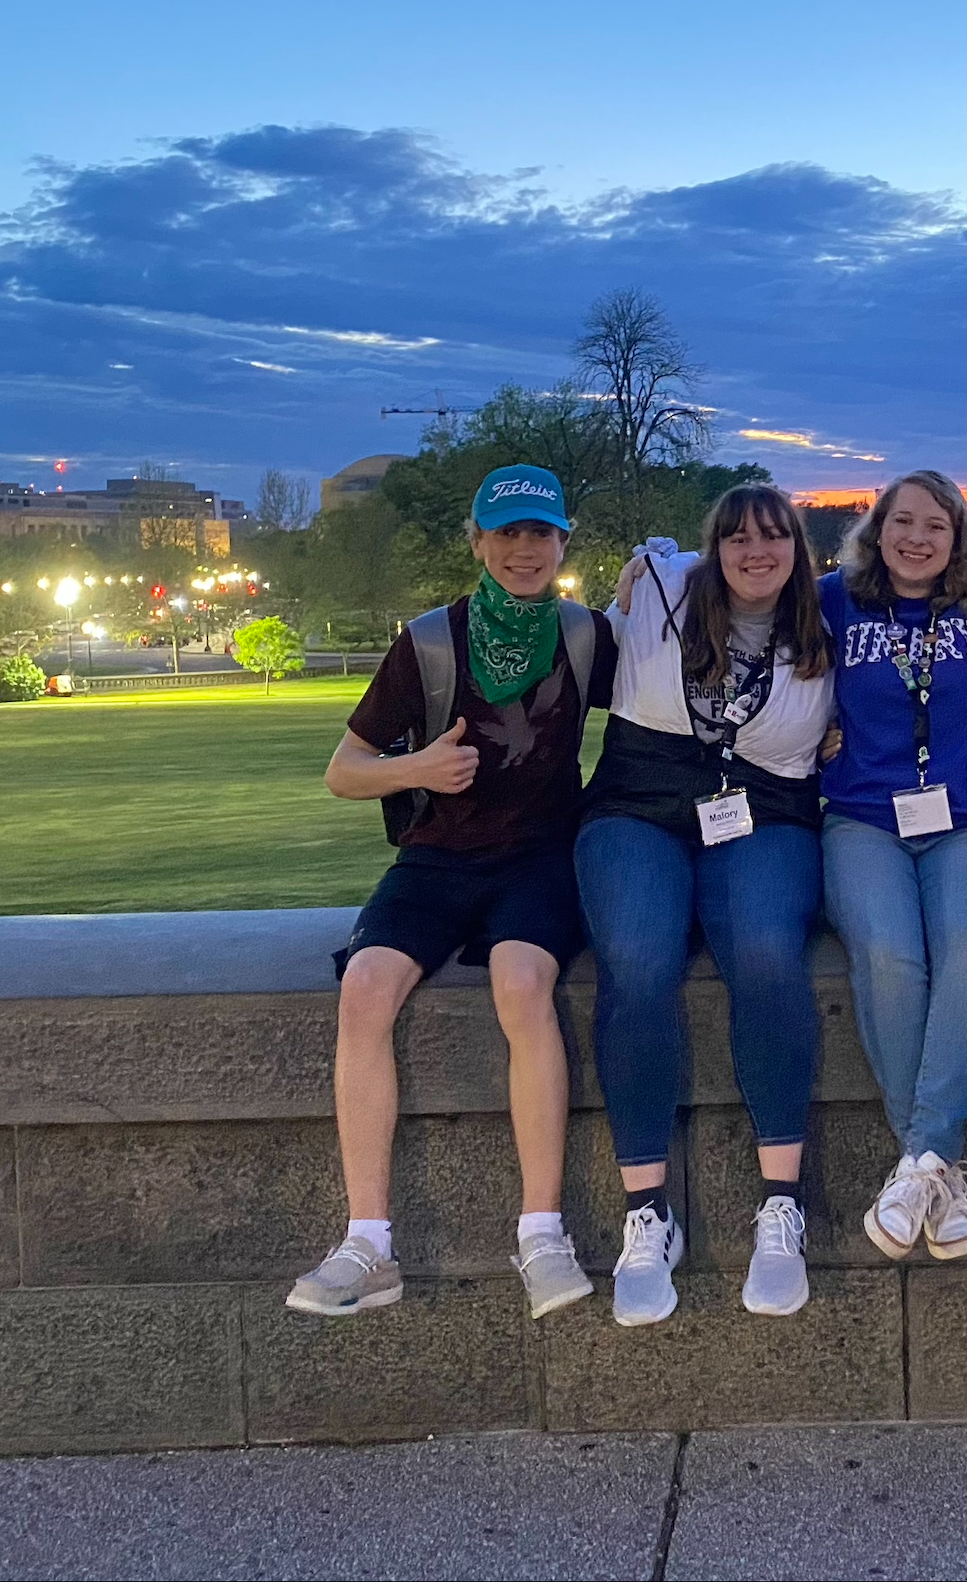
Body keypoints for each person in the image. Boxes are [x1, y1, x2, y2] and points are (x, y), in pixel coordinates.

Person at [288, 465, 614, 1321]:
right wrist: (418, 767)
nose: (523, 549)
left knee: (522, 984)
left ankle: (541, 1230)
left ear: (561, 544)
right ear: (478, 543)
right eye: (506, 534)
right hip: (436, 857)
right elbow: (343, 771)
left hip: (541, 857)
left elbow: (671, 694)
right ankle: (369, 1242)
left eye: (539, 533)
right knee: (364, 991)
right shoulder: (431, 641)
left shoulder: (586, 636)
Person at [577, 485, 834, 1327]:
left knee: (765, 953)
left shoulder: (826, 627)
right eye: (737, 538)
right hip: (637, 803)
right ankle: (647, 1211)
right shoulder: (658, 590)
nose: (755, 551)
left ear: (797, 545)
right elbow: (582, 637)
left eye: (773, 536)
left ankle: (781, 1206)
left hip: (763, 811)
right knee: (640, 962)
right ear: (712, 547)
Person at [819, 470, 967, 1261]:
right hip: (863, 818)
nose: (916, 537)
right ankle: (938, 1167)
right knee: (887, 955)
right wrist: (656, 566)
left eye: (935, 526)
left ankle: (921, 1164)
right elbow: (739, 588)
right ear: (877, 530)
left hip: (966, 822)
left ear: (960, 538)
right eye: (900, 522)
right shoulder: (834, 599)